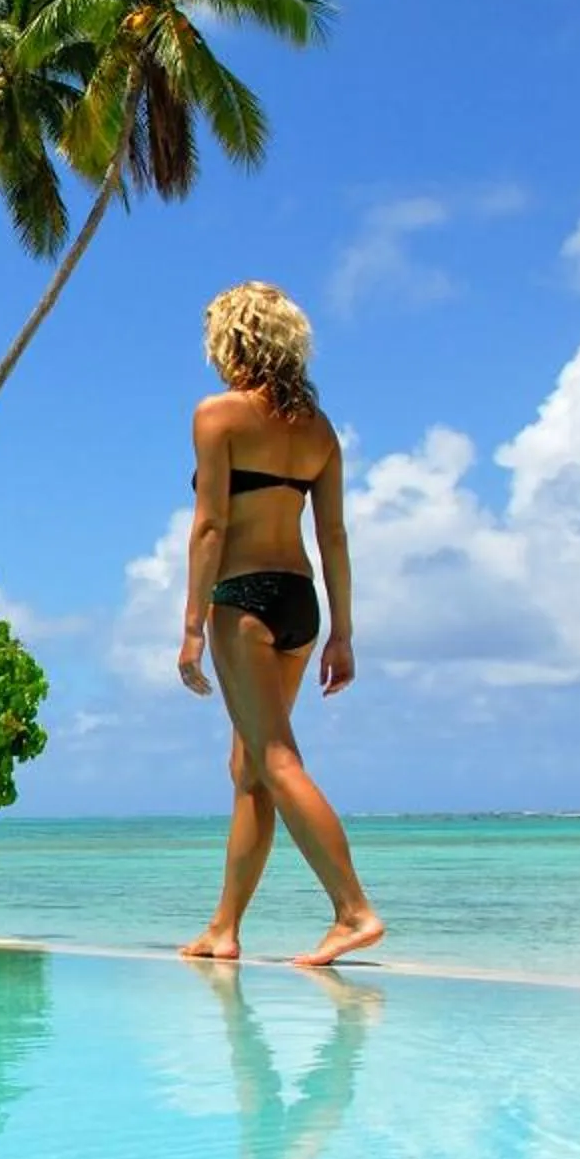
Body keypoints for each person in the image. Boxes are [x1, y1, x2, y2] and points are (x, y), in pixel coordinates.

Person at [174, 282, 384, 966]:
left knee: (275, 759)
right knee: (248, 768)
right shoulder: (319, 432)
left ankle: (353, 911)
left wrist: (192, 626)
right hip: (300, 600)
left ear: (231, 341)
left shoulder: (219, 416)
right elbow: (335, 538)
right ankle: (224, 929)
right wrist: (343, 634)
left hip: (243, 598)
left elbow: (210, 525)